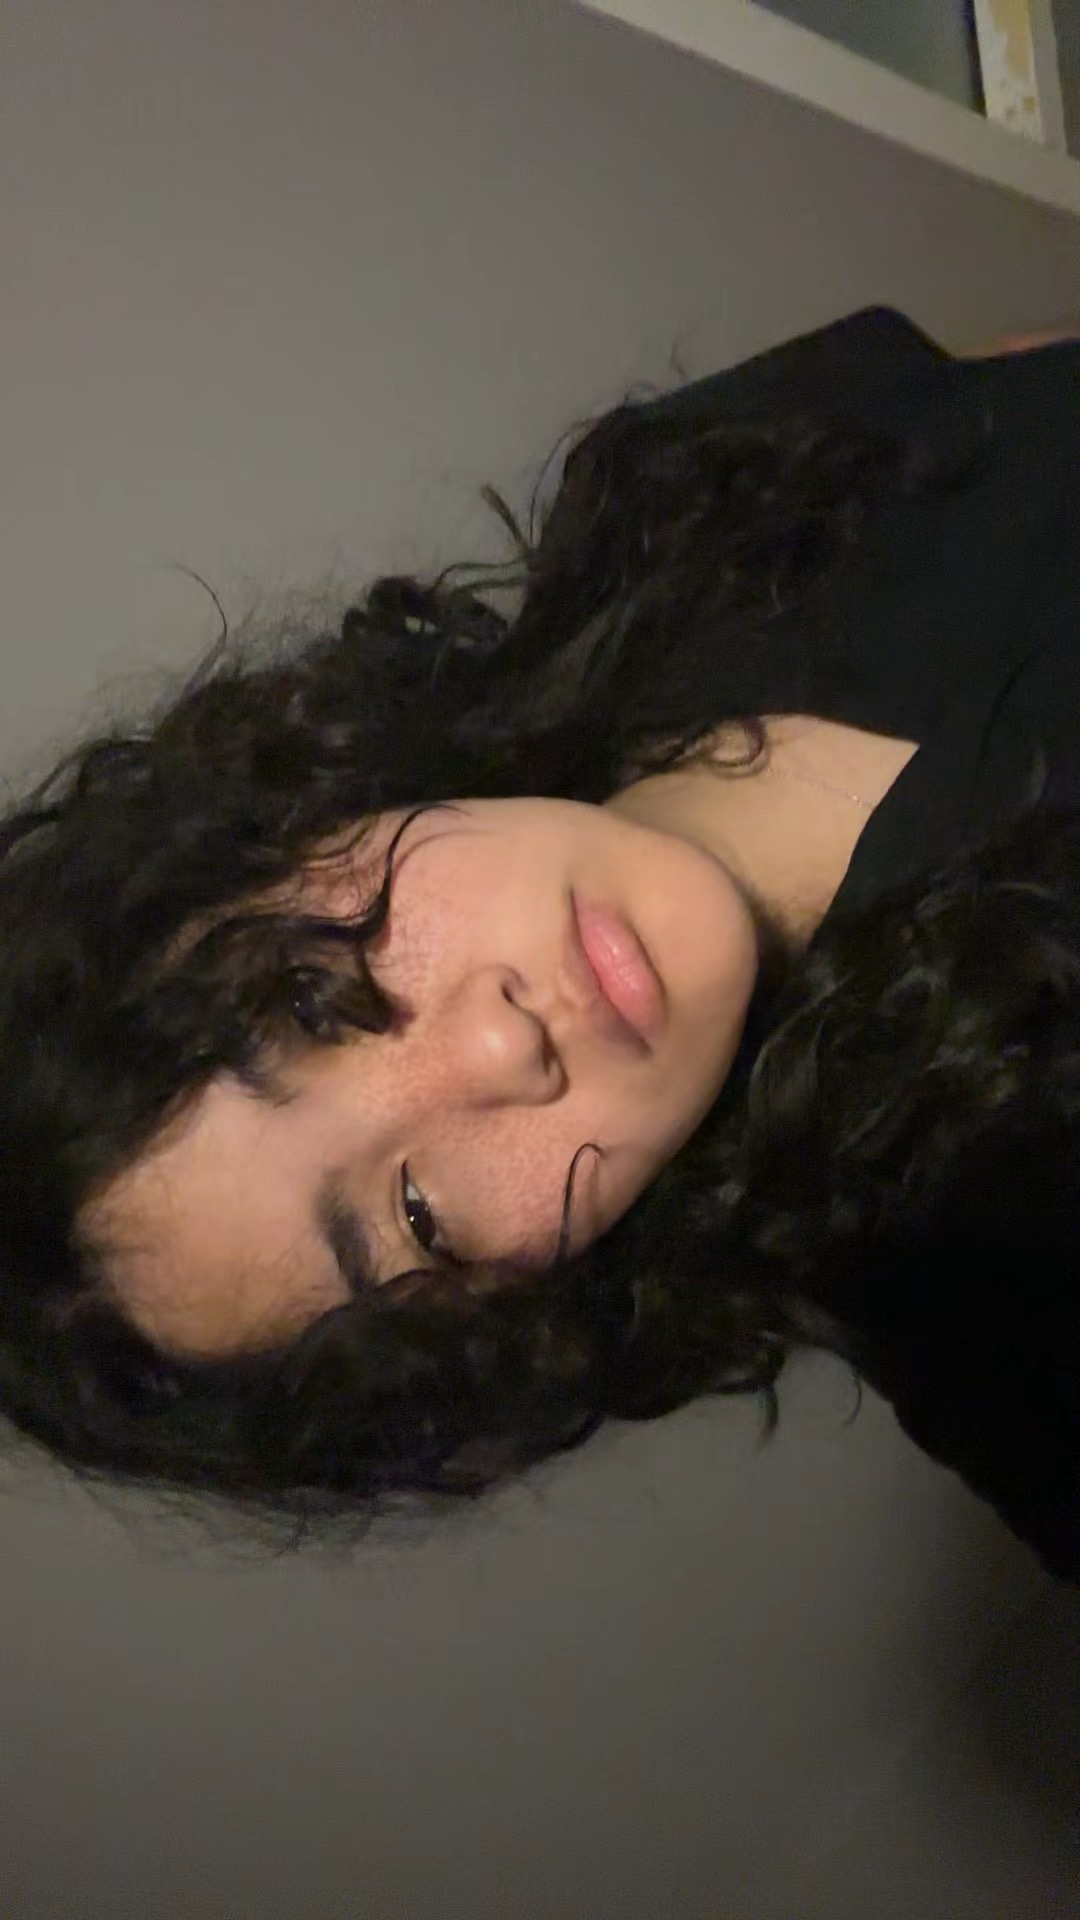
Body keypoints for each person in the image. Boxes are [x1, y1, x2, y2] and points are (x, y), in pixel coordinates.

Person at [4, 307, 1080, 1574]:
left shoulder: (678, 504)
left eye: (309, 996)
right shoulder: (1002, 1257)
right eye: (419, 1216)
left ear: (268, 837)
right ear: (506, 1321)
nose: (496, 1046)